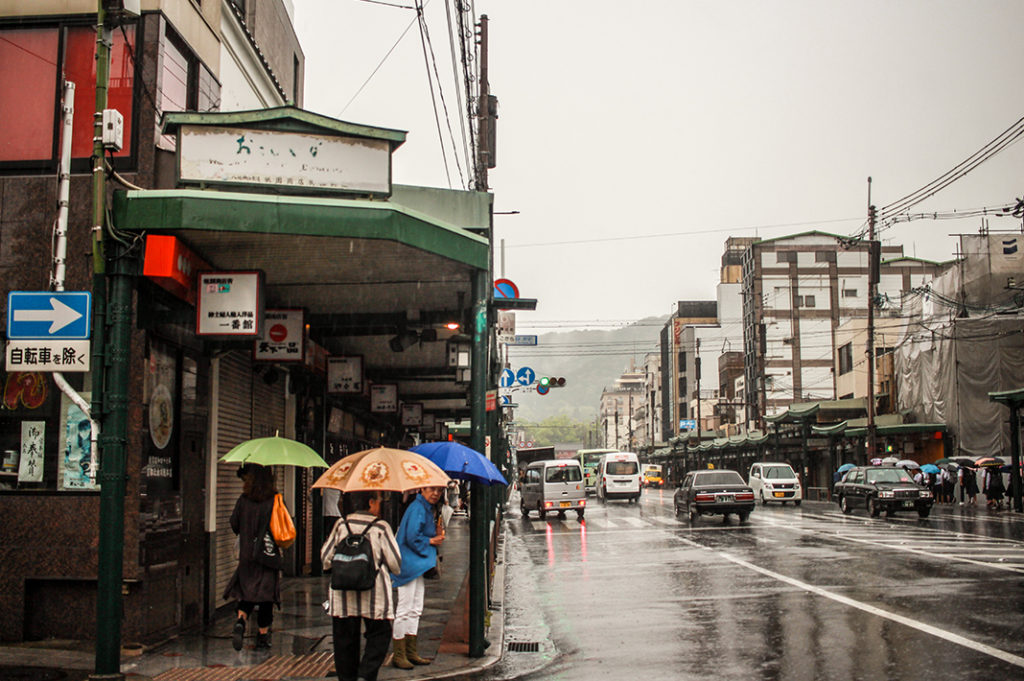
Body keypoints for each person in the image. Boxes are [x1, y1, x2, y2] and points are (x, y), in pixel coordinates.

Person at [321, 490, 401, 681]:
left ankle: (347, 678)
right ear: (371, 502)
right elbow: (396, 564)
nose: (380, 504)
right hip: (374, 595)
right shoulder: (381, 527)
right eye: (379, 500)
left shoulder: (341, 524)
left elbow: (325, 559)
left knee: (344, 641)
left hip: (342, 596)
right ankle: (365, 674)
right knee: (380, 635)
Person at [224, 464, 281, 651]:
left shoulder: (243, 499)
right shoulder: (274, 500)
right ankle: (262, 637)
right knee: (266, 598)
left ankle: (241, 620)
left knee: (247, 593)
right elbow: (283, 527)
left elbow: (234, 524)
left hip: (247, 556)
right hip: (267, 555)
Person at [390, 486, 446, 670]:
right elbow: (412, 537)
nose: (436, 493)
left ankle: (410, 651)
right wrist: (431, 541)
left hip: (416, 565)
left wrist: (435, 533)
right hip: (409, 565)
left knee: (415, 608)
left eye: (439, 490)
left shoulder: (424, 508)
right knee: (405, 609)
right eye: (432, 489)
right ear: (422, 488)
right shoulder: (417, 508)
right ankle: (400, 654)